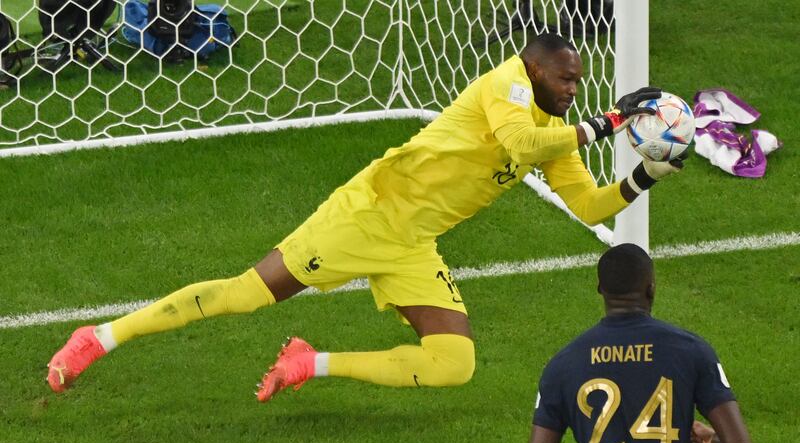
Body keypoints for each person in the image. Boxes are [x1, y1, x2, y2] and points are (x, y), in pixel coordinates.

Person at [47, 33, 683, 402]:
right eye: (566, 79)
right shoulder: (507, 86)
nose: (575, 88)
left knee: (452, 363)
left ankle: (309, 361)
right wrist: (609, 123)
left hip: (412, 242)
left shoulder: (555, 125)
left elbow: (591, 205)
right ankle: (100, 337)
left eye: (580, 81)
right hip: (367, 214)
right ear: (535, 68)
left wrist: (650, 170)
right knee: (246, 294)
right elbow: (520, 146)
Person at [525, 244, 752, 443]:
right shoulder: (692, 351)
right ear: (651, 288)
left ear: (600, 289)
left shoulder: (562, 365)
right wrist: (714, 442)